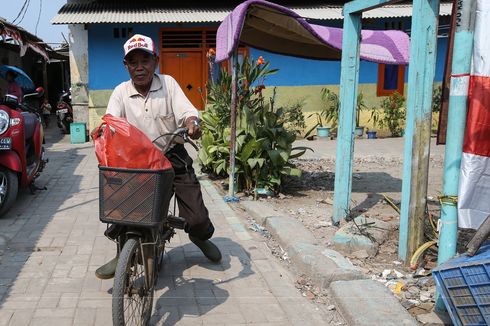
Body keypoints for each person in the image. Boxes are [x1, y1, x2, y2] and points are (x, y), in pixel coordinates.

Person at [95, 34, 221, 280]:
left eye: (145, 60)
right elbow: (111, 120)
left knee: (196, 217)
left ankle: (199, 236)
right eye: (133, 62)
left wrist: (192, 122)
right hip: (137, 160)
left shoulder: (169, 84)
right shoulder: (121, 92)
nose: (139, 67)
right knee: (123, 207)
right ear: (126, 66)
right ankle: (123, 253)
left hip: (171, 155)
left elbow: (187, 113)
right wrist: (102, 130)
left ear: (156, 61)